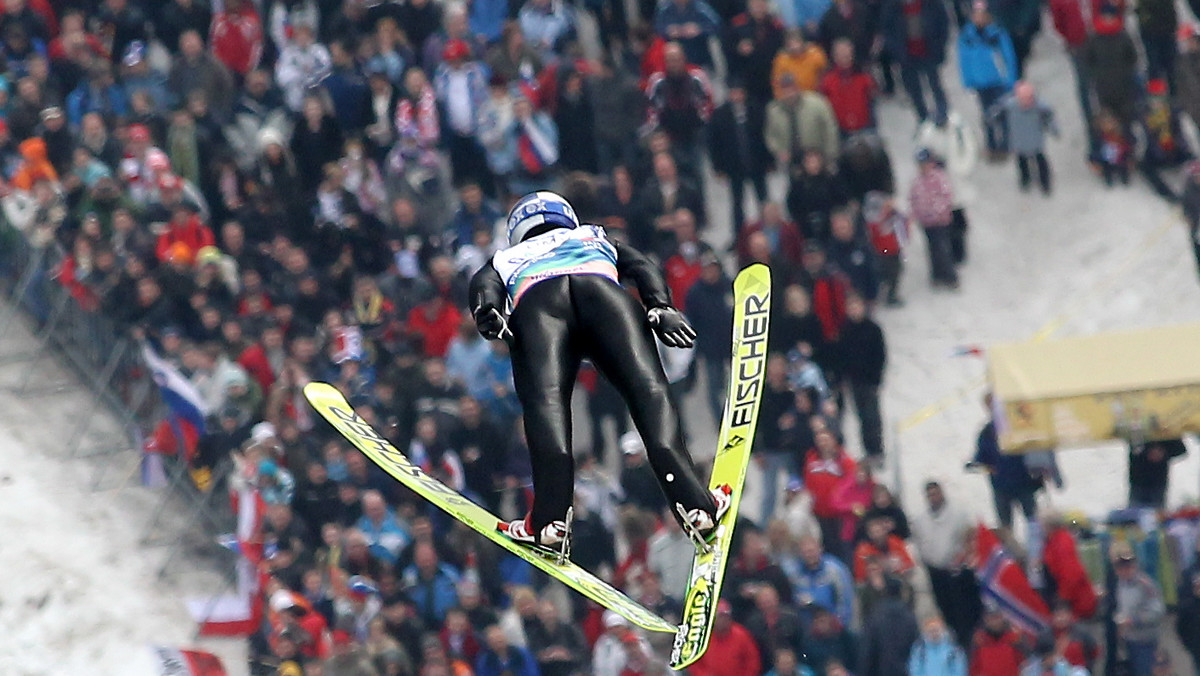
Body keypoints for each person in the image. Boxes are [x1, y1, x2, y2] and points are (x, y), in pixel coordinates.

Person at [469, 191, 728, 552]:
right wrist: (660, 305)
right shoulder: (592, 234)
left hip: (540, 308)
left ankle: (550, 522)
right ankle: (696, 506)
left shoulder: (505, 256)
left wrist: (489, 315)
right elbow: (641, 265)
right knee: (649, 392)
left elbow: (482, 287)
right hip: (604, 297)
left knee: (547, 407)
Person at [911, 481, 979, 648]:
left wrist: (961, 557)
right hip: (936, 574)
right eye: (930, 494)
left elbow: (969, 536)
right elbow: (918, 541)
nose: (933, 497)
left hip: (957, 572)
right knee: (945, 610)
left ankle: (967, 642)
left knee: (963, 613)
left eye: (936, 493)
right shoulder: (921, 519)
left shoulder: (958, 513)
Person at [708, 80, 771, 234]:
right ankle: (739, 235)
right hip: (734, 166)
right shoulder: (720, 114)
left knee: (763, 199)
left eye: (739, 92)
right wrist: (718, 167)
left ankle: (768, 229)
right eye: (733, 92)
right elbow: (714, 143)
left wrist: (769, 161)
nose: (736, 96)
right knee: (737, 203)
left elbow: (766, 137)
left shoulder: (756, 109)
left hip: (756, 163)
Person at [957, 2, 1017, 160]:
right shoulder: (967, 36)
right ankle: (991, 145)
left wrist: (1010, 79)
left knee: (1002, 112)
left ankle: (1005, 143)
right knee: (986, 115)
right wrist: (968, 81)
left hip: (997, 81)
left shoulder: (997, 34)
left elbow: (1008, 57)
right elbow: (964, 61)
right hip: (980, 83)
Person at [831, 294, 885, 462]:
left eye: (857, 306)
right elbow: (839, 355)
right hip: (851, 380)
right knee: (855, 415)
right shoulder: (845, 330)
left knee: (871, 417)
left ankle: (876, 450)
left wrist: (876, 378)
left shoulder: (873, 329)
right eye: (851, 307)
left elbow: (880, 355)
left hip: (868, 380)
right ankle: (860, 450)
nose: (854, 310)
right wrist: (840, 378)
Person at [879, 0, 950, 126]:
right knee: (914, 90)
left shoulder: (931, 3)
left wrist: (939, 45)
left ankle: (944, 114)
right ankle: (923, 118)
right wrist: (897, 51)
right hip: (907, 56)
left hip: (929, 51)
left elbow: (943, 22)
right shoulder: (892, 6)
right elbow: (886, 31)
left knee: (935, 84)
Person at [988, 81, 1057, 194]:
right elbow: (996, 114)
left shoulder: (1040, 107)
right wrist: (992, 118)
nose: (1027, 101)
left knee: (1041, 164)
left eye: (1030, 97)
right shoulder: (1009, 106)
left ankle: (1045, 184)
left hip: (1036, 141)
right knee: (1022, 165)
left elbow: (1049, 118)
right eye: (1024, 98)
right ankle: (1025, 181)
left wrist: (1054, 129)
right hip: (1019, 142)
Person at [909, 148, 958, 290]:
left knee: (942, 248)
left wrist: (935, 211)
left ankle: (950, 276)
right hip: (926, 223)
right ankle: (936, 275)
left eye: (926, 163)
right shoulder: (917, 181)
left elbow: (946, 197)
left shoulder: (939, 178)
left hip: (940, 221)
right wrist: (915, 214)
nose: (923, 167)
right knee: (931, 249)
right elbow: (913, 198)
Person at [1112, 547, 1166, 676]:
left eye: (1129, 566)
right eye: (1121, 567)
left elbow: (1157, 612)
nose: (1125, 570)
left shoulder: (1146, 584)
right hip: (1128, 640)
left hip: (1145, 640)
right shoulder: (1120, 584)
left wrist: (1134, 620)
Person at [689, 600, 762, 676]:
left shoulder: (741, 635)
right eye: (719, 617)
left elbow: (753, 660)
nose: (723, 620)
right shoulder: (700, 637)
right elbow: (694, 663)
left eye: (725, 617)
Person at [1126, 438, 1186, 509]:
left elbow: (1181, 449)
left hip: (1157, 482)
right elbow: (1134, 447)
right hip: (1138, 481)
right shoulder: (1138, 430)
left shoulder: (1167, 431)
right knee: (1135, 514)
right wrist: (1148, 452)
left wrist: (1163, 452)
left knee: (1156, 514)